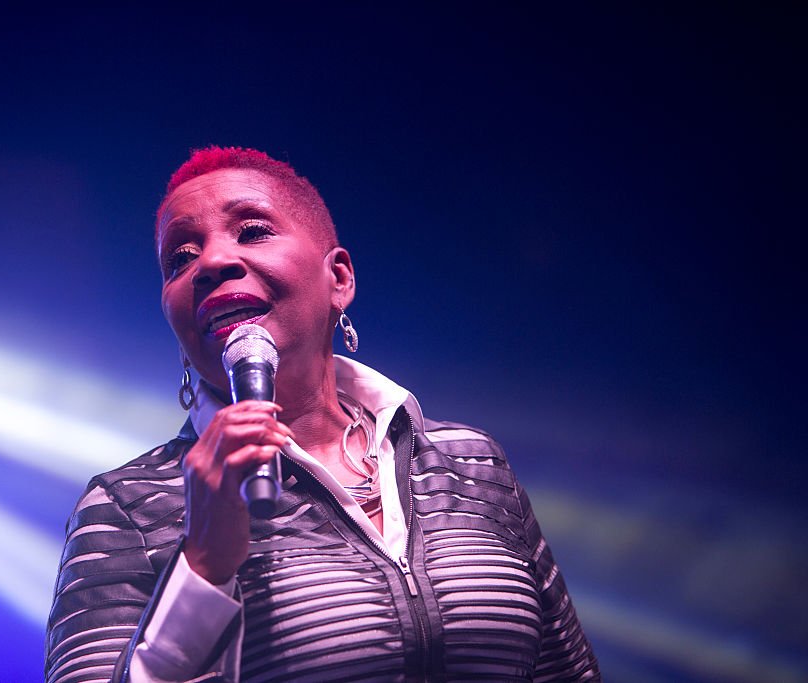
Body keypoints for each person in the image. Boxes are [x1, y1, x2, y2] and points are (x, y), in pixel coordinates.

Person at [44, 146, 600, 682]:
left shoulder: (471, 464)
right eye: (180, 259)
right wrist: (203, 566)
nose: (212, 262)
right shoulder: (129, 508)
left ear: (339, 279)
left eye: (252, 231)